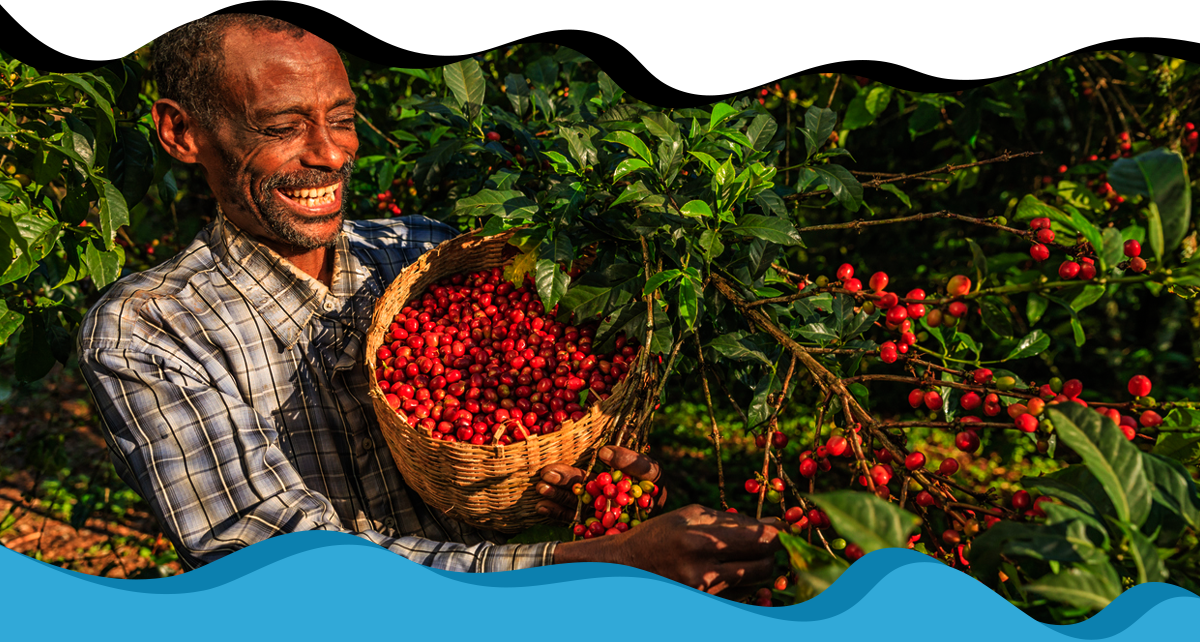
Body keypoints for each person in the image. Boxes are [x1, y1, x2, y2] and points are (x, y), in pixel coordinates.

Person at [77, 13, 781, 594]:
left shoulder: (424, 255)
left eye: (343, 118)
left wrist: (576, 489)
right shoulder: (149, 328)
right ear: (182, 132)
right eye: (280, 127)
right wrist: (602, 560)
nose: (329, 153)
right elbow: (284, 572)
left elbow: (521, 433)